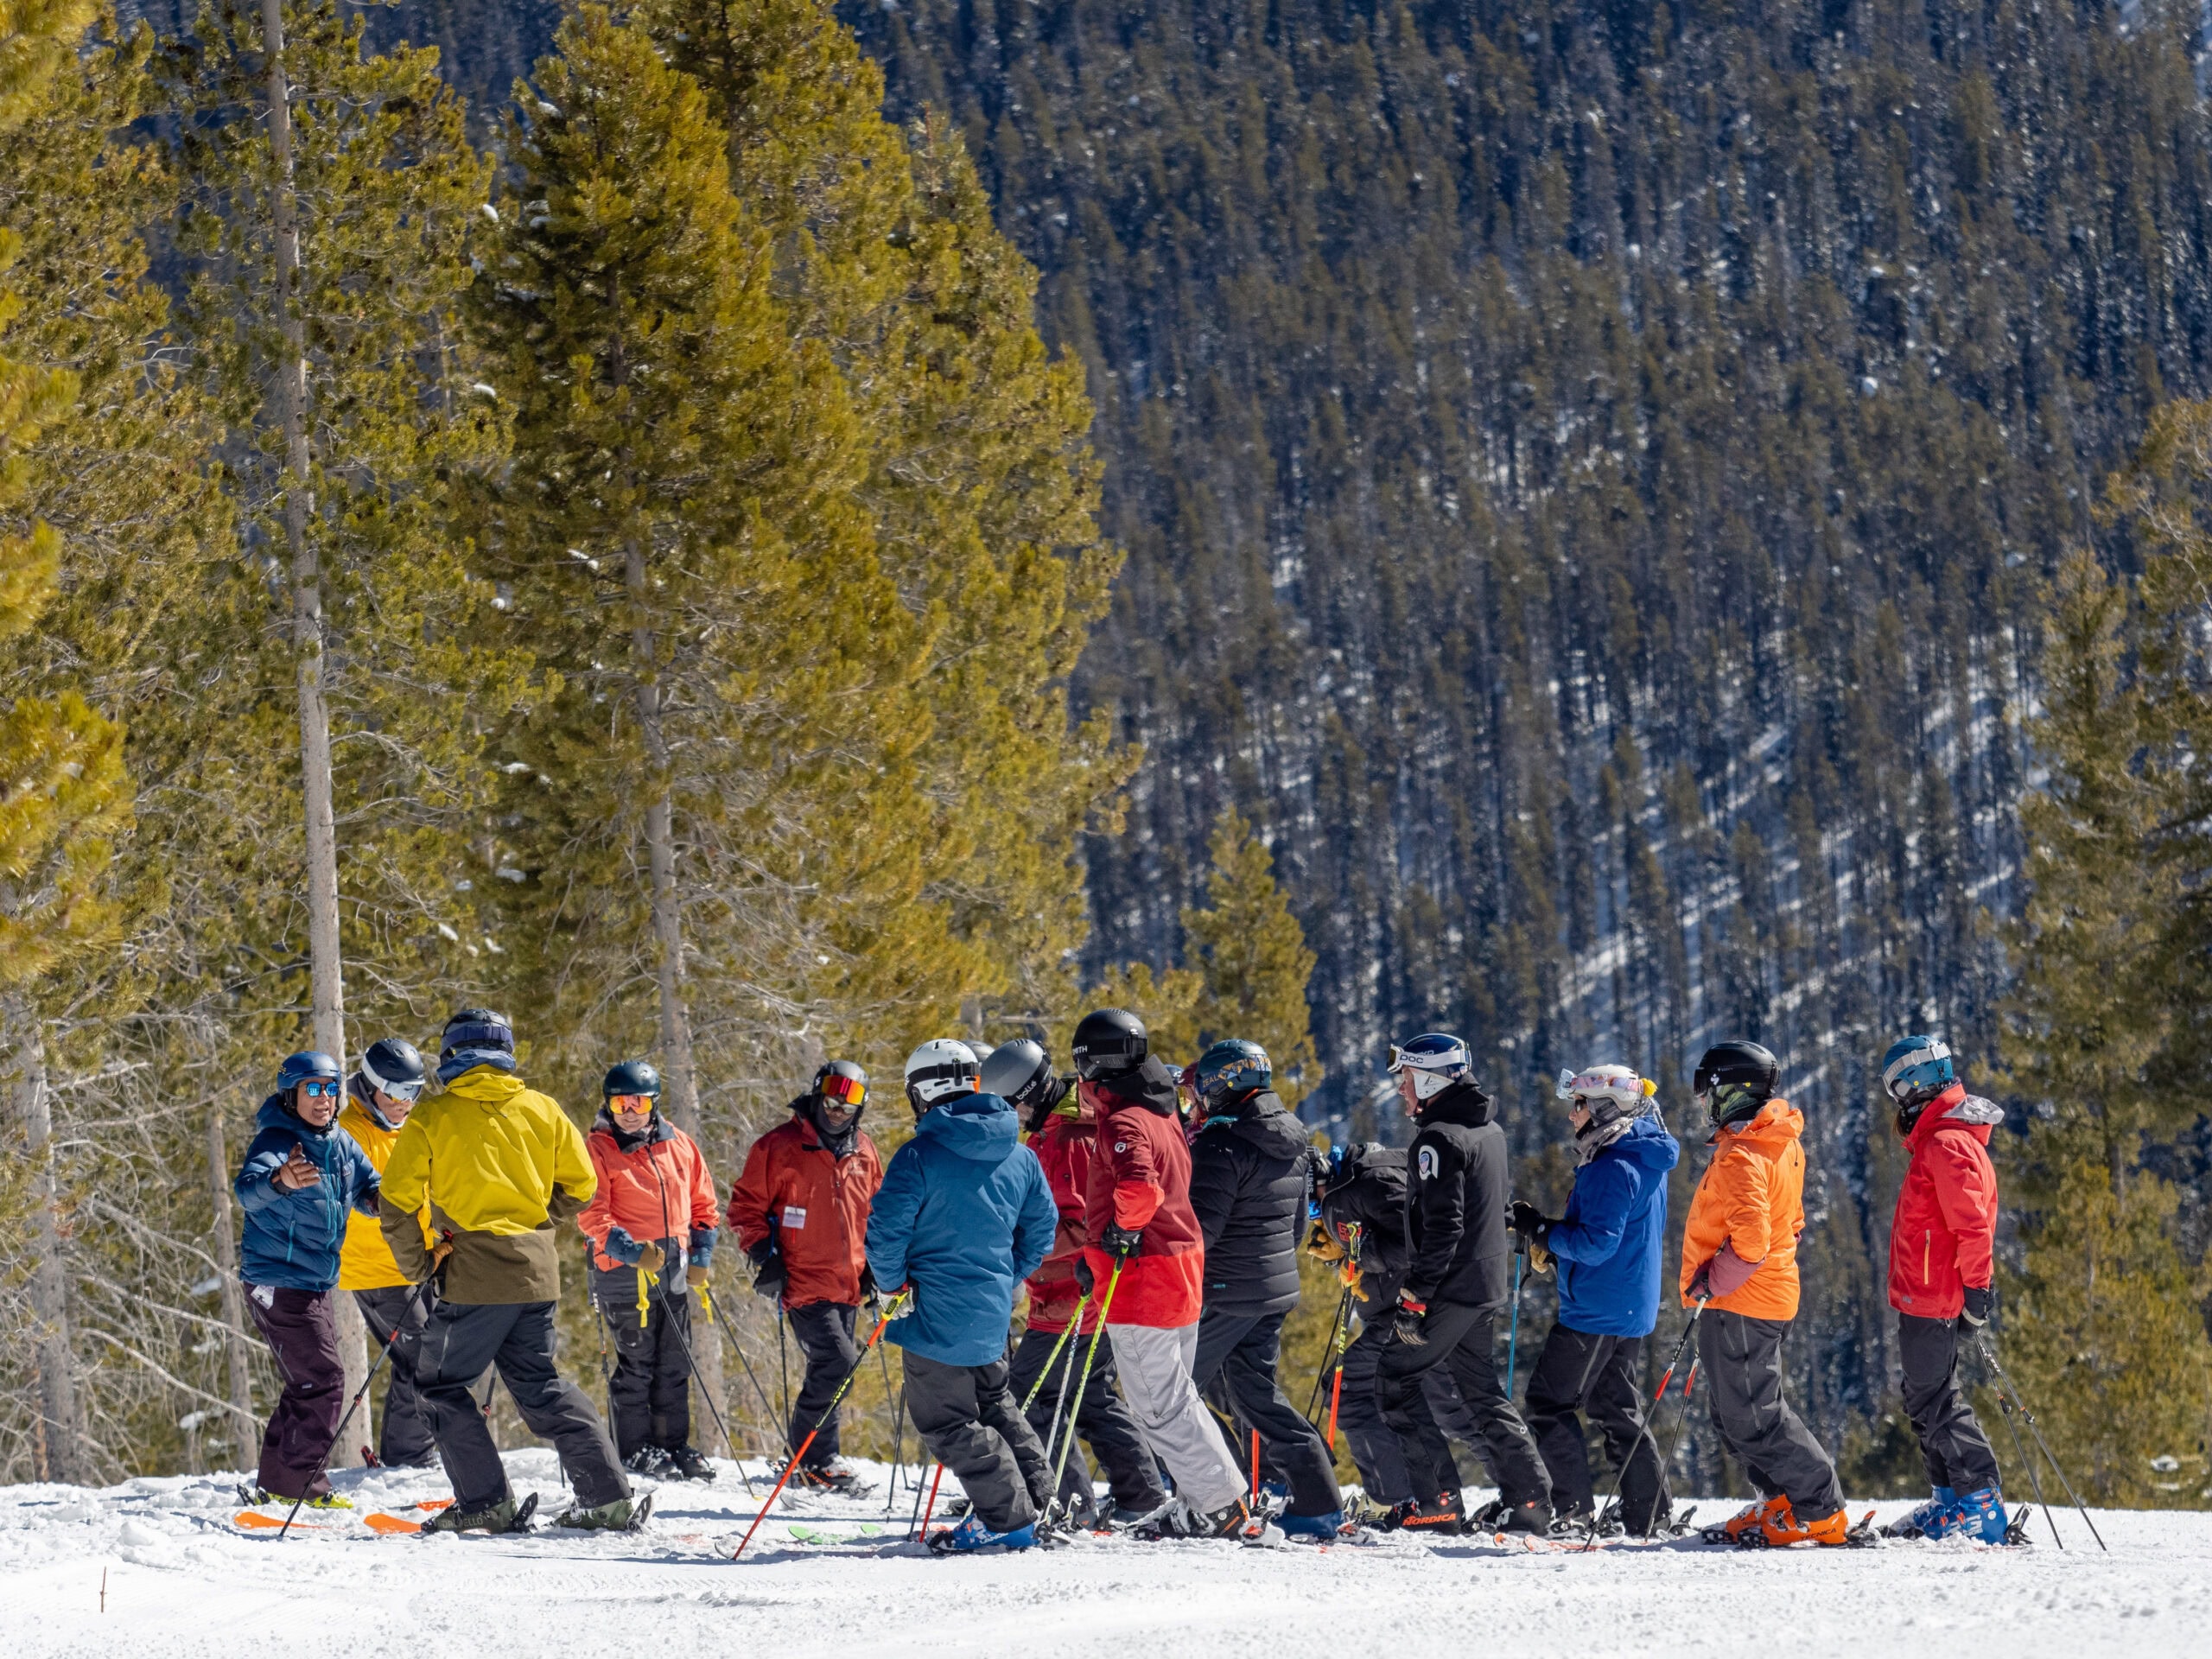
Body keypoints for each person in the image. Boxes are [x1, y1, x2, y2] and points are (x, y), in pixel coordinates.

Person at [379, 1007, 635, 1534]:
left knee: (437, 1385)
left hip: (474, 1273)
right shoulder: (542, 1109)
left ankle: (485, 1503)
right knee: (542, 1386)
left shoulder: (432, 1116)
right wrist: (540, 1223)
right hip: (535, 1272)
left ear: (452, 1054)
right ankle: (607, 1500)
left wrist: (422, 1263)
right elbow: (582, 1185)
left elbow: (397, 1204)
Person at [868, 1039, 1059, 1551]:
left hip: (934, 1315)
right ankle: (1040, 1503)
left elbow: (885, 1233)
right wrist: (1006, 1275)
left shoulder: (919, 1155)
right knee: (995, 1403)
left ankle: (1007, 1518)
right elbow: (1042, 1229)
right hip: (991, 1312)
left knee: (946, 1421)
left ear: (923, 1091)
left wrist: (889, 1289)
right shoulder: (1019, 1155)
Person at [1075, 1007, 1253, 1539]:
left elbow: (1139, 1188)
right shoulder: (1161, 1109)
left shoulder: (1124, 1118)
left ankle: (1221, 1505)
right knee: (1177, 1397)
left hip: (1143, 1276)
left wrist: (1116, 1235)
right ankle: (1210, 1501)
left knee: (1159, 1406)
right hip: (1181, 1264)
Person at [1376, 1033, 1551, 1535]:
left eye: (1406, 1080)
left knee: (1394, 1377)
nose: (1402, 1092)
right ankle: (1530, 1500)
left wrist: (1416, 1296)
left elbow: (1444, 1226)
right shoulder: (1485, 1128)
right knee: (1480, 1391)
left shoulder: (1438, 1138)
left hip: (1452, 1286)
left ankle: (1436, 1499)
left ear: (1430, 1078)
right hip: (1485, 1283)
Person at [1680, 1039, 1851, 1547]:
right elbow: (1791, 1223)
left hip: (1743, 1302)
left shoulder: (1745, 1157)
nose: (1705, 1105)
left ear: (1731, 1092)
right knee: (1733, 1412)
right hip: (1755, 1297)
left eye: (1709, 1093)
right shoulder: (1778, 1144)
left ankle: (1821, 1509)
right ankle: (1781, 1500)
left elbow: (1752, 1245)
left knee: (1755, 1412)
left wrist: (1712, 1281)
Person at [988, 1038, 1166, 1528]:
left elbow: (1075, 1225)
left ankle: (1068, 1503)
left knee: (1027, 1397)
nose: (1013, 1114)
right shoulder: (1058, 1130)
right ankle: (1141, 1496)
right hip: (1076, 1293)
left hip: (1074, 1295)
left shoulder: (1065, 1138)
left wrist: (1014, 1244)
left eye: (1011, 1104)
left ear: (1027, 1094)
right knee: (1092, 1397)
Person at [1507, 1063, 1681, 1536]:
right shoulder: (1639, 1154)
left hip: (1598, 1307)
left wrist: (1542, 1231)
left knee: (1548, 1402)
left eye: (1580, 1104)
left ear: (1606, 1108)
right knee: (1615, 1408)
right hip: (1625, 1301)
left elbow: (1597, 1244)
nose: (1572, 1115)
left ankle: (1571, 1510)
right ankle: (1651, 1513)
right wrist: (1553, 1240)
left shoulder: (1612, 1166)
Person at [1185, 1039, 1343, 1538]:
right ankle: (1317, 1502)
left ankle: (1199, 1499)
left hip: (1226, 1290)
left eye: (1200, 1089)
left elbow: (1200, 1230)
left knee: (1170, 1391)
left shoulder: (1220, 1143)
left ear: (1219, 1085)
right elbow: (1298, 1226)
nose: (1198, 1099)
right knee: (1257, 1397)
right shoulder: (1291, 1138)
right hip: (1271, 1288)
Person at [234, 1049, 384, 1505]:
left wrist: (394, 1202)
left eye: (331, 1088)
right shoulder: (278, 1141)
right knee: (324, 1380)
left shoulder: (339, 1143)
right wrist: (280, 1180)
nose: (323, 1099)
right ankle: (298, 1486)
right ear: (291, 1094)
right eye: (312, 1089)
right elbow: (247, 1191)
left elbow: (370, 1188)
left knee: (308, 1382)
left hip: (313, 1283)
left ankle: (278, 1484)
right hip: (276, 1281)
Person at [1309, 1142, 1488, 1523]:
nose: (1315, 1212)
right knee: (1451, 1408)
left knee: (1350, 1391)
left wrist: (1354, 1256)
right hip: (1402, 1311)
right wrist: (1348, 1256)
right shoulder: (1355, 1181)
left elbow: (1416, 1245)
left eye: (1313, 1202)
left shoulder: (1366, 1181)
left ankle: (1398, 1500)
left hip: (1413, 1313)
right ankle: (1512, 1495)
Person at [728, 1058, 883, 1496]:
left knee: (831, 1369)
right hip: (802, 1281)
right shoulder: (779, 1147)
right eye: (832, 1096)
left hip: (849, 1282)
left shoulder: (864, 1151)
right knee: (837, 1363)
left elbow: (878, 1212)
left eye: (850, 1101)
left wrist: (877, 1268)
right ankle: (811, 1458)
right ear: (817, 1094)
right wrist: (764, 1256)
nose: (838, 1107)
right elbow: (744, 1208)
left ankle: (813, 1456)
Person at [1876, 1035, 2010, 1543]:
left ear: (1916, 1084)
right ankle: (1951, 1499)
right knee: (1922, 1395)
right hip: (1924, 1291)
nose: (1898, 1102)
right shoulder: (1944, 1136)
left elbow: (1972, 1227)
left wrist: (1977, 1291)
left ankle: (1980, 1501)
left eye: (1898, 1089)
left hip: (1935, 1294)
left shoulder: (1946, 1142)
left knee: (1935, 1400)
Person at [577, 1059, 721, 1480]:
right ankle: (636, 1449)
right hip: (625, 1273)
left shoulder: (678, 1143)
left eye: (637, 1101)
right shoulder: (598, 1148)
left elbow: (704, 1204)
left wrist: (700, 1256)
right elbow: (591, 1214)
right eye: (620, 1102)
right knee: (637, 1365)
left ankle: (673, 1445)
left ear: (653, 1103)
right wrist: (629, 1249)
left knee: (675, 1364)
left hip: (673, 1267)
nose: (629, 1110)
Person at [336, 1038, 437, 1469]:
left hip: (421, 1260)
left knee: (430, 1355)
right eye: (396, 1093)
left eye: (413, 1092)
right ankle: (410, 1460)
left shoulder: (407, 1128)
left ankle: (408, 1455)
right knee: (421, 1355)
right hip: (377, 1268)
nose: (405, 1103)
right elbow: (356, 1203)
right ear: (371, 1087)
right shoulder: (348, 1133)